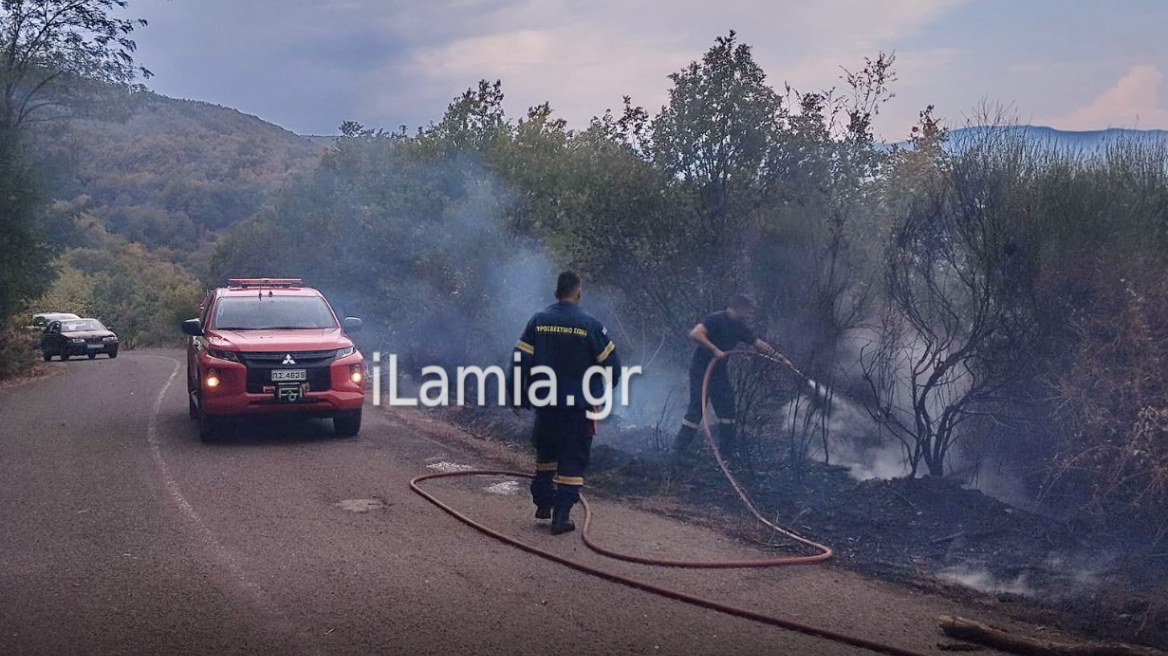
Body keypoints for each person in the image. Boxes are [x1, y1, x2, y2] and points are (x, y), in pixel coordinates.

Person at [514, 271, 621, 535]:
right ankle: (561, 516)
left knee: (546, 453)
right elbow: (613, 367)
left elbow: (521, 360)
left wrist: (517, 393)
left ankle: (542, 502)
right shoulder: (592, 325)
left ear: (556, 293)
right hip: (579, 406)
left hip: (546, 403)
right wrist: (608, 385)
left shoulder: (539, 321)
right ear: (578, 294)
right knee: (572, 458)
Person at [673, 295, 782, 463]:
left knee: (728, 406)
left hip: (719, 372)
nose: (749, 313)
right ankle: (679, 449)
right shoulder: (715, 319)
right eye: (747, 309)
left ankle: (726, 452)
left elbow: (758, 344)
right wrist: (714, 349)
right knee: (697, 407)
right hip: (701, 369)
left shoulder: (739, 327)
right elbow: (695, 334)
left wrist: (779, 358)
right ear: (739, 307)